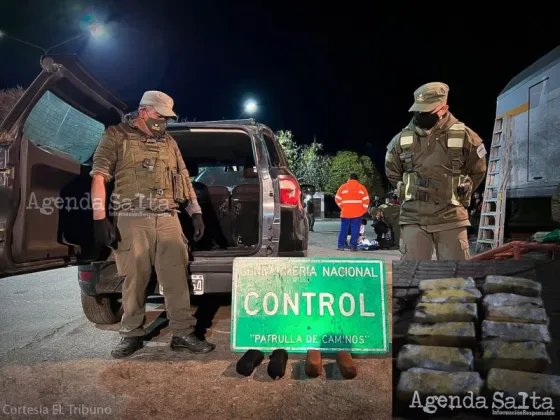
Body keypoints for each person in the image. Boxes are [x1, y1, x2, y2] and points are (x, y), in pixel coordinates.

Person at [90, 90, 216, 358]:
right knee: (134, 279)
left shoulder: (168, 141)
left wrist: (195, 212)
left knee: (176, 278)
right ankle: (131, 334)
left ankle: (182, 333)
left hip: (168, 217)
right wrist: (100, 219)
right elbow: (99, 177)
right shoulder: (116, 135)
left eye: (166, 118)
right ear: (144, 111)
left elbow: (183, 176)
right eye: (160, 116)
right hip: (133, 218)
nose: (164, 122)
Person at [385, 82, 487, 260]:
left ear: (443, 108)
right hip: (414, 218)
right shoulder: (401, 140)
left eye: (426, 112)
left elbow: (478, 170)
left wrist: (459, 189)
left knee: (456, 279)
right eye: (418, 111)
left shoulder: (466, 137)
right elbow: (392, 171)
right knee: (411, 278)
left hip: (451, 217)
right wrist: (409, 188)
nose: (421, 115)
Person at [335, 173, 370, 251]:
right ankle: (353, 247)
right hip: (357, 213)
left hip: (345, 213)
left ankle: (341, 246)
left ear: (349, 178)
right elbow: (366, 201)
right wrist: (362, 210)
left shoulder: (343, 187)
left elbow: (337, 198)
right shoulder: (362, 188)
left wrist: (343, 207)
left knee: (344, 229)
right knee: (355, 230)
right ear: (357, 179)